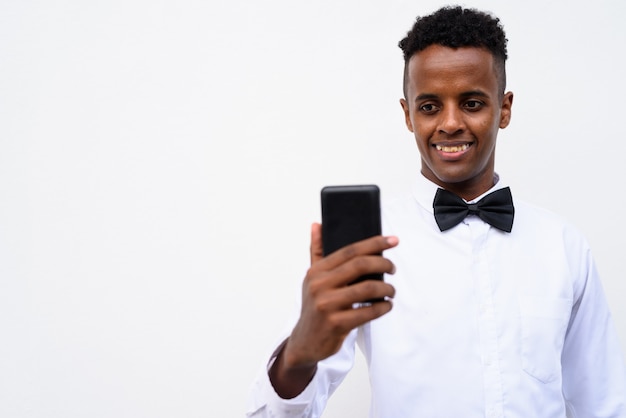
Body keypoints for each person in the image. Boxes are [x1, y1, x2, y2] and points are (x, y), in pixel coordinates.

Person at [246, 5, 626, 417]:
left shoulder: (563, 244)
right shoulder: (369, 248)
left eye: (472, 103)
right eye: (429, 106)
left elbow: (603, 403)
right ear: (408, 114)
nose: (449, 123)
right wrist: (299, 354)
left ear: (504, 108)